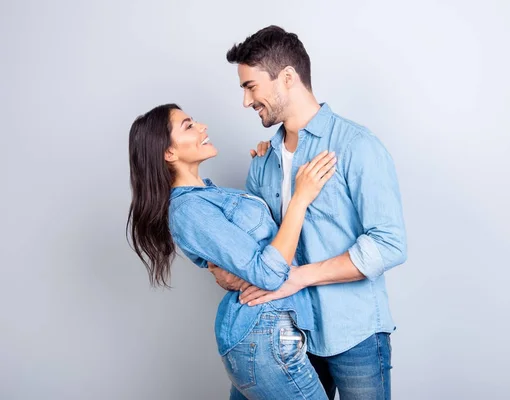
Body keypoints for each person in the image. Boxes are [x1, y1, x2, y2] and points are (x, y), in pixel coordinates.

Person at [209, 26, 408, 399]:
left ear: (287, 77)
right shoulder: (263, 163)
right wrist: (225, 268)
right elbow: (260, 246)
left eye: (250, 86)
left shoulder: (356, 146)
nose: (246, 100)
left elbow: (389, 244)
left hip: (355, 334)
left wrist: (299, 277)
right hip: (286, 333)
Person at [126, 103, 336, 399]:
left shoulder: (210, 195)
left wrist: (267, 164)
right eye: (188, 126)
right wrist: (301, 197)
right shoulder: (188, 209)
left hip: (269, 333)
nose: (203, 127)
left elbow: (264, 244)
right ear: (169, 153)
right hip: (264, 337)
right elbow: (269, 273)